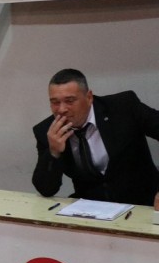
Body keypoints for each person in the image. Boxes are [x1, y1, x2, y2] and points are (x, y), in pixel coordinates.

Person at [32, 68, 159, 207]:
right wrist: (53, 152)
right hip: (92, 210)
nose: (62, 109)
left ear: (89, 97)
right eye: (55, 102)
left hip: (145, 203)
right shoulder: (46, 131)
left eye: (70, 100)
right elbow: (46, 189)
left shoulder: (123, 107)